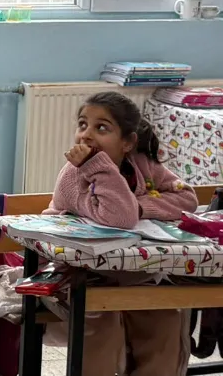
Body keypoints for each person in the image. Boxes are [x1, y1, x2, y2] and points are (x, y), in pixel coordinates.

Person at [45, 91, 198, 376]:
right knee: (100, 320)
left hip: (135, 272)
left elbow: (187, 199)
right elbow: (118, 217)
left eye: (101, 128)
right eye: (82, 125)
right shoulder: (74, 175)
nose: (86, 135)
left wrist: (140, 206)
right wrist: (97, 165)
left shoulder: (142, 166)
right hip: (78, 276)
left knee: (165, 317)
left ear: (127, 143)